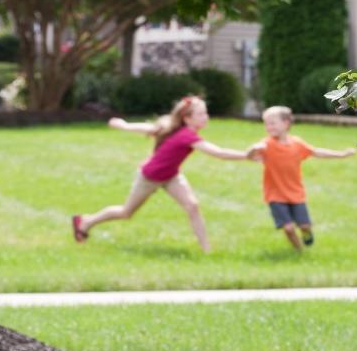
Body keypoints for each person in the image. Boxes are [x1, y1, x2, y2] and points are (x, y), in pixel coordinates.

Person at [72, 96, 248, 253]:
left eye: (205, 113)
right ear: (187, 118)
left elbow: (149, 128)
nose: (206, 117)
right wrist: (246, 156)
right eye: (201, 114)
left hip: (171, 176)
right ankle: (86, 222)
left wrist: (124, 125)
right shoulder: (186, 135)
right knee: (126, 212)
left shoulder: (178, 130)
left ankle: (206, 251)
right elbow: (217, 152)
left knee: (193, 206)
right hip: (149, 177)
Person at [248, 106, 355, 252]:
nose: (268, 127)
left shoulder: (297, 144)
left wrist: (341, 154)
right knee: (288, 228)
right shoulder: (266, 145)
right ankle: (299, 251)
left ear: (286, 123)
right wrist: (253, 148)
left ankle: (306, 232)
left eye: (272, 123)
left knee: (304, 225)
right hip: (275, 195)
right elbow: (250, 157)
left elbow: (317, 152)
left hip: (295, 194)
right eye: (266, 123)